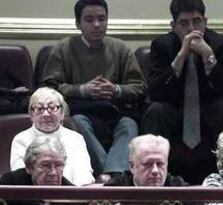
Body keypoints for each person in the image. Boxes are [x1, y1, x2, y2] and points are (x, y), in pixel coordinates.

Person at [41, 0, 146, 183]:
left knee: (129, 125)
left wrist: (116, 89)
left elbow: (140, 87)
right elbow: (49, 89)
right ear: (78, 24)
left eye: (101, 19)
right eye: (89, 20)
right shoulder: (64, 49)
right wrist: (82, 90)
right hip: (82, 112)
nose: (97, 25)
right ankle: (115, 177)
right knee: (78, 122)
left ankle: (108, 177)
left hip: (116, 112)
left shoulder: (120, 48)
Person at [141, 0, 223, 184]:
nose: (191, 28)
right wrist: (181, 56)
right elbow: (156, 92)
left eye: (197, 21)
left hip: (208, 111)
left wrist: (209, 57)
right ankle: (155, 181)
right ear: (173, 25)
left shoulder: (221, 44)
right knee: (156, 110)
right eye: (184, 23)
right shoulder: (162, 46)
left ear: (205, 21)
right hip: (175, 111)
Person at [10, 87, 94, 185]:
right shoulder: (20, 139)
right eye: (39, 108)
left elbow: (83, 174)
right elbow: (21, 176)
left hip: (71, 194)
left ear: (62, 113)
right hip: (33, 196)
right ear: (31, 114)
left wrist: (72, 195)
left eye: (52, 108)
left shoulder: (76, 138)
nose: (46, 114)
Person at [105, 134, 202, 205]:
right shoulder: (116, 187)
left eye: (160, 164)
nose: (155, 171)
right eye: (147, 164)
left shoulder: (177, 186)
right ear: (132, 166)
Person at [0, 136, 85, 205]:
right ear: (29, 167)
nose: (53, 173)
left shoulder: (71, 191)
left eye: (59, 165)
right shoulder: (10, 182)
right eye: (46, 165)